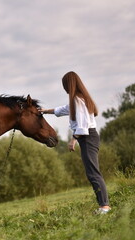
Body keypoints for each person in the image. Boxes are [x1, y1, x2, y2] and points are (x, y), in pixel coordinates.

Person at [40, 71, 111, 214]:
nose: (64, 88)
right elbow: (63, 109)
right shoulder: (78, 99)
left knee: (93, 173)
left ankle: (105, 206)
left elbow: (83, 125)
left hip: (88, 137)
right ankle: (103, 205)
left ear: (69, 84)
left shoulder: (78, 100)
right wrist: (44, 111)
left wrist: (73, 140)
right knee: (92, 172)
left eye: (65, 85)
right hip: (88, 137)